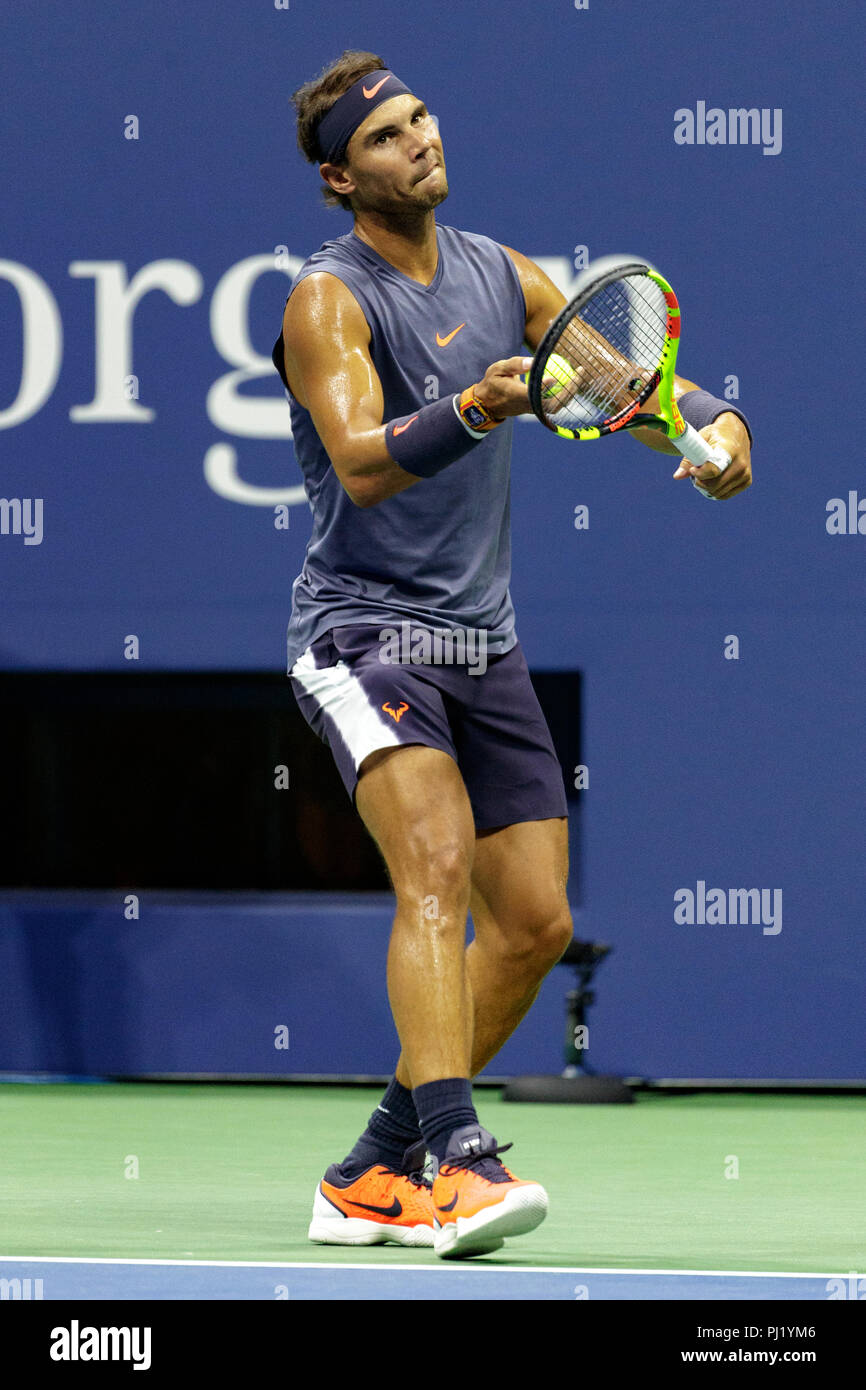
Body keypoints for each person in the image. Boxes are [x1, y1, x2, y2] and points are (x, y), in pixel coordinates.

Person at [272, 50, 753, 1260]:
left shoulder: (504, 274)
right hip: (363, 631)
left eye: (421, 118)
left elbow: (628, 389)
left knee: (532, 925)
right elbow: (362, 462)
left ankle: (369, 1168)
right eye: (384, 137)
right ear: (340, 178)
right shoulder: (327, 300)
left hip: (482, 645)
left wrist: (709, 421)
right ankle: (455, 1157)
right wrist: (478, 409)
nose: (419, 141)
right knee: (430, 867)